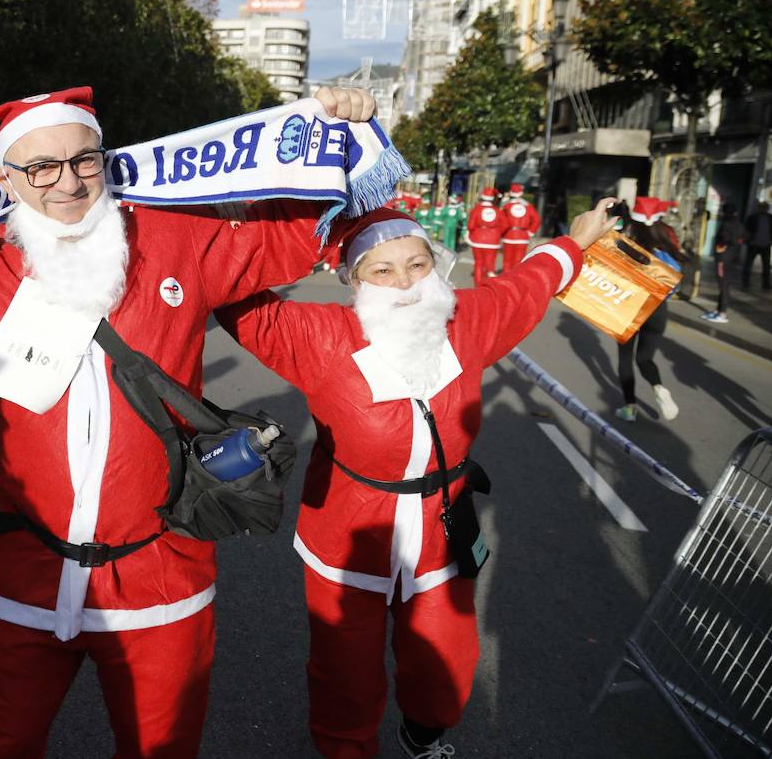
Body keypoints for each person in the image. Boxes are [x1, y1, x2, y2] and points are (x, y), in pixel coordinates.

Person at [0, 84, 379, 758]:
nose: (68, 182)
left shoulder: (173, 241)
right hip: (25, 577)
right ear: (5, 179)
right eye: (42, 166)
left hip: (163, 577)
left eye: (85, 160)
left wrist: (334, 134)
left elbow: (287, 240)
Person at [215, 198, 618, 759]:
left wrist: (577, 240)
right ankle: (345, 748)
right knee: (344, 668)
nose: (403, 282)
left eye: (417, 264)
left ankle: (424, 733)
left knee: (445, 658)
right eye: (381, 270)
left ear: (436, 265)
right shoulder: (317, 335)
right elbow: (231, 295)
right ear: (354, 281)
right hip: (347, 531)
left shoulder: (466, 320)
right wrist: (292, 225)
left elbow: (530, 282)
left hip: (442, 524)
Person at [615, 196, 683, 421]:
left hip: (631, 305)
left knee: (625, 359)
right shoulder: (666, 238)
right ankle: (659, 388)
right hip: (658, 308)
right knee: (645, 358)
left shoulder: (627, 238)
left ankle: (629, 407)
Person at [704, 202, 742, 323]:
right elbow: (746, 236)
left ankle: (722, 313)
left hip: (722, 258)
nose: (720, 213)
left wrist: (724, 246)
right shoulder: (738, 224)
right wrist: (735, 246)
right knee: (724, 284)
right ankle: (718, 310)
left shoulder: (726, 225)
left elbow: (725, 239)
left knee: (723, 285)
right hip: (730, 257)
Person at [465, 186, 504, 286]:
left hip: (478, 240)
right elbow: (505, 224)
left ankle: (477, 285)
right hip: (493, 241)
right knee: (490, 264)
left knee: (478, 263)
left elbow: (470, 226)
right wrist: (497, 233)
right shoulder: (498, 211)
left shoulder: (476, 210)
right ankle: (488, 286)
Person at [500, 182, 541, 271]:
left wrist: (501, 233)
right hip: (523, 236)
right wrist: (530, 232)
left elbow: (501, 221)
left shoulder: (506, 206)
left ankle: (505, 281)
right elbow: (537, 219)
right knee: (519, 262)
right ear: (521, 193)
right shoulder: (528, 206)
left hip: (509, 235)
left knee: (507, 261)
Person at [742, 200, 771, 289]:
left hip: (766, 245)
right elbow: (746, 229)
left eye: (766, 207)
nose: (764, 209)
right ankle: (745, 282)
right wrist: (748, 240)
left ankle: (766, 284)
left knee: (766, 266)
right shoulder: (752, 217)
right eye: (762, 207)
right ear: (759, 208)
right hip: (753, 244)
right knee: (748, 264)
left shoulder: (770, 218)